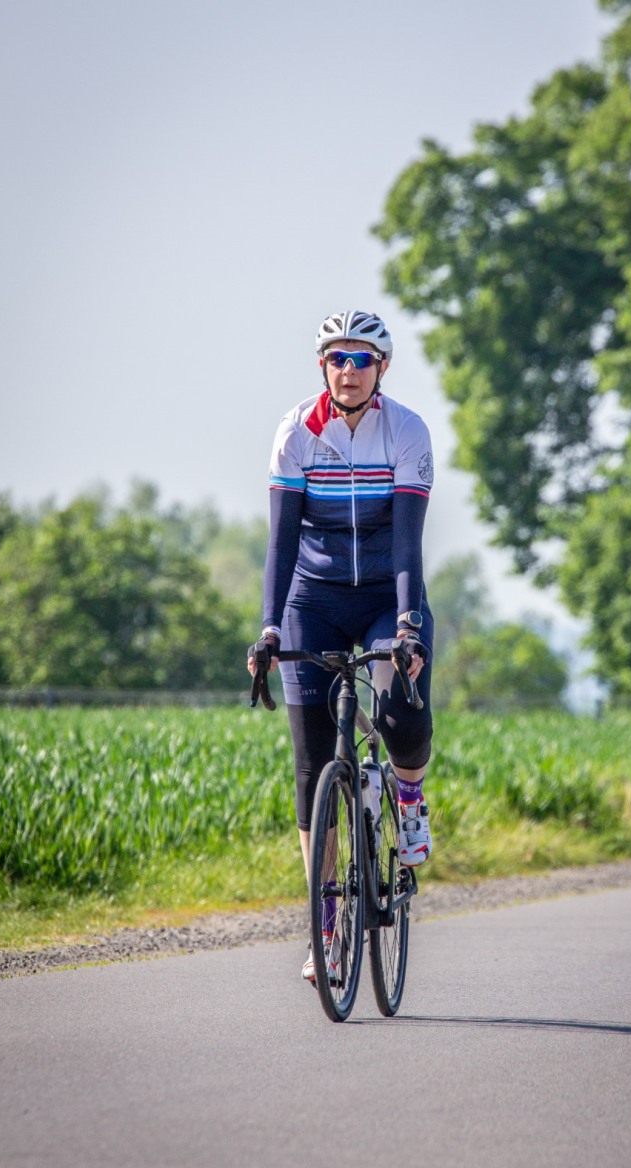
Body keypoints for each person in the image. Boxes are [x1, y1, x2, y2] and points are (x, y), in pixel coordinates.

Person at [247, 309, 435, 983]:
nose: (348, 371)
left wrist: (407, 626)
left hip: (387, 594)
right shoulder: (297, 430)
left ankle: (408, 797)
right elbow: (280, 542)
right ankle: (324, 923)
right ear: (322, 366)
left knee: (400, 714)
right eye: (337, 359)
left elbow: (408, 542)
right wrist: (270, 627)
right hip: (314, 599)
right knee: (310, 765)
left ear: (382, 368)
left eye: (361, 360)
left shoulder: (406, 430)